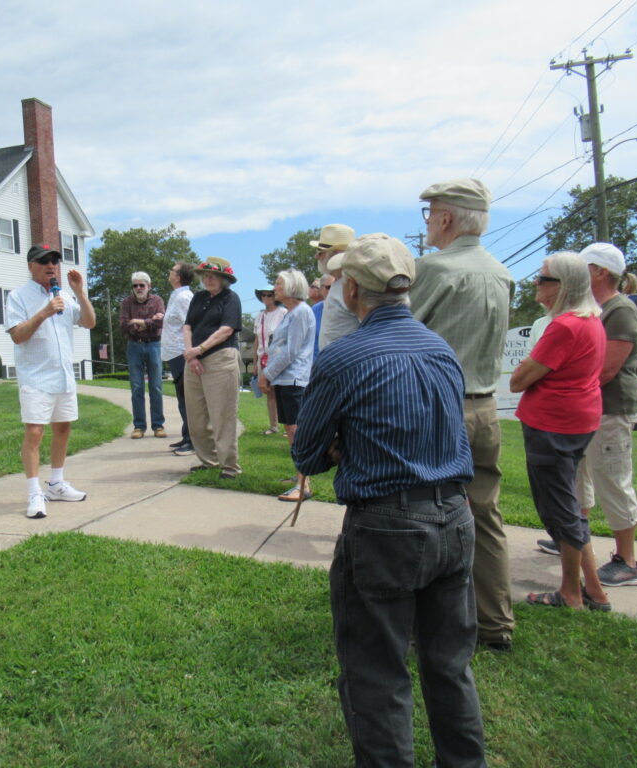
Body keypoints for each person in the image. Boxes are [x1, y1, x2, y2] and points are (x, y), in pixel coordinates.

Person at [293, 234, 486, 768]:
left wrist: (340, 443)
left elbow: (307, 455)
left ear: (351, 288)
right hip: (455, 517)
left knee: (376, 673)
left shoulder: (342, 357)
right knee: (449, 667)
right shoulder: (440, 350)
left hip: (385, 527)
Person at [410, 178, 516, 652]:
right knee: (484, 516)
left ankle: (420, 623)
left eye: (431, 212)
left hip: (435, 410)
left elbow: (398, 336)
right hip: (485, 409)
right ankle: (495, 623)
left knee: (417, 514)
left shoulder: (432, 270)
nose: (429, 221)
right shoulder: (501, 272)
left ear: (447, 218)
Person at [538, 244, 637, 587]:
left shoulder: (621, 311)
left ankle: (627, 561)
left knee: (612, 479)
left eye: (584, 267)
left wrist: (559, 387)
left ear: (600, 272)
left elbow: (605, 370)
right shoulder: (594, 309)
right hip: (584, 410)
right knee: (576, 479)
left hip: (610, 410)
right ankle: (572, 540)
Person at [511, 252, 609, 610]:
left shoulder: (564, 326)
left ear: (563, 286)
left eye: (543, 279)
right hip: (578, 420)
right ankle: (594, 590)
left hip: (552, 423)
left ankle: (571, 593)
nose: (536, 284)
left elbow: (519, 380)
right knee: (568, 504)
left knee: (560, 510)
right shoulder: (592, 321)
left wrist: (527, 367)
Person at [6, 244, 96, 519]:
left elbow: (90, 322)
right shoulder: (18, 296)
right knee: (34, 433)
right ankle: (35, 492)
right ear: (31, 265)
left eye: (54, 261)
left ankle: (56, 483)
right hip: (35, 376)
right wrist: (44, 312)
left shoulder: (66, 297)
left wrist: (80, 292)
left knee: (63, 429)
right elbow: (17, 335)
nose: (50, 266)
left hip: (63, 375)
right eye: (44, 261)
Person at [182, 259, 243, 479]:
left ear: (224, 279)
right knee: (196, 417)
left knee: (222, 415)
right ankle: (208, 461)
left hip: (220, 359)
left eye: (213, 276)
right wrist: (190, 353)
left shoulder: (231, 298)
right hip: (194, 360)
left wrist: (200, 349)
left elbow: (227, 330)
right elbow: (188, 326)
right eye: (205, 275)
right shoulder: (198, 298)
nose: (208, 279)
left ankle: (230, 467)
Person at [257, 269, 315, 502]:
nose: (275, 287)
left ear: (292, 286)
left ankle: (304, 484)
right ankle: (299, 476)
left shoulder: (301, 312)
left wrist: (266, 374)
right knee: (291, 430)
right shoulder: (291, 313)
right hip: (284, 379)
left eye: (279, 283)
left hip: (293, 379)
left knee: (295, 431)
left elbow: (291, 350)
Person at [119, 271, 166, 439]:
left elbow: (161, 322)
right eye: (135, 285)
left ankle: (158, 425)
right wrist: (148, 323)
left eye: (141, 285)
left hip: (154, 345)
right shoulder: (126, 303)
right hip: (134, 346)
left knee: (156, 387)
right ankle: (139, 426)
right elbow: (124, 326)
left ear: (148, 286)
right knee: (137, 387)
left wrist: (137, 322)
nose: (138, 288)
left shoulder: (157, 301)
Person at [161, 262, 196, 456]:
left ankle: (193, 441)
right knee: (182, 398)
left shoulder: (184, 297)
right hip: (173, 353)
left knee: (187, 399)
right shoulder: (177, 295)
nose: (170, 272)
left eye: (172, 270)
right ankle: (186, 435)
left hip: (181, 353)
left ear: (180, 276)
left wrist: (190, 352)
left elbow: (189, 325)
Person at [312, 223, 359, 349]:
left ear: (337, 253)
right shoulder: (339, 284)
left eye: (321, 252)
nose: (316, 256)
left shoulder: (353, 286)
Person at [252, 286, 288, 436]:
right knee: (269, 393)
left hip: (278, 357)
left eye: (269, 295)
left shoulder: (283, 313)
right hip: (263, 358)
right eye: (263, 295)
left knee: (284, 392)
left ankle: (289, 424)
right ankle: (273, 426)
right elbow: (256, 340)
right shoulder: (260, 315)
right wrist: (254, 362)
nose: (266, 297)